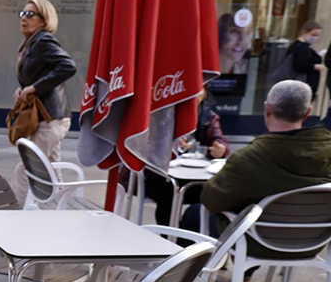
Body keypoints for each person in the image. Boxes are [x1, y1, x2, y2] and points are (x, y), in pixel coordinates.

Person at [199, 81, 331, 248]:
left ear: (267, 109)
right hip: (312, 243)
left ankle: (197, 271)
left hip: (254, 244)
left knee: (195, 214)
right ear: (307, 113)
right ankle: (246, 274)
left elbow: (211, 200)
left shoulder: (250, 157)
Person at [11, 0, 78, 206]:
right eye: (22, 14)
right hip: (48, 118)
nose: (24, 18)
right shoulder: (32, 43)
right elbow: (37, 74)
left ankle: (12, 216)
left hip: (51, 119)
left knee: (26, 169)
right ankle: (59, 212)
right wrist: (24, 89)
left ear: (44, 19)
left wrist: (34, 88)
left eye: (30, 14)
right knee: (51, 168)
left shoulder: (43, 40)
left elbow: (68, 66)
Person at [141, 85, 230, 226]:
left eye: (201, 89)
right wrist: (169, 143)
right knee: (168, 194)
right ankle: (168, 236)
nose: (196, 94)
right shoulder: (164, 113)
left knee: (210, 192)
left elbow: (219, 141)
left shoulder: (208, 116)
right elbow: (147, 142)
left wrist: (220, 149)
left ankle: (189, 234)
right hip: (160, 176)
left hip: (194, 176)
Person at [283, 20, 326, 96]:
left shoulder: (298, 45)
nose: (315, 38)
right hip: (302, 86)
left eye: (317, 35)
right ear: (305, 32)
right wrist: (315, 67)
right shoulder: (302, 47)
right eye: (313, 35)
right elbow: (300, 65)